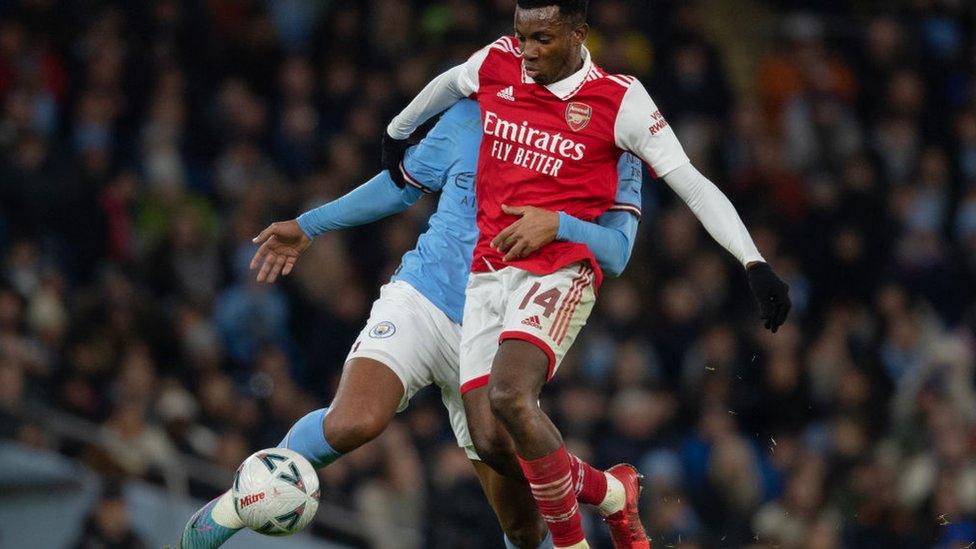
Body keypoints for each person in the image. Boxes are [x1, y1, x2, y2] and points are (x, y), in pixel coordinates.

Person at [380, 1, 791, 548]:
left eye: (543, 39)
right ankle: (614, 494)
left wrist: (753, 261)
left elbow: (690, 181)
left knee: (510, 395)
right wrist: (398, 128)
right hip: (488, 269)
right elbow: (451, 83)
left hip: (559, 269)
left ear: (579, 34)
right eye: (522, 36)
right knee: (491, 441)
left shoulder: (620, 100)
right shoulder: (499, 60)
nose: (527, 52)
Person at [179, 99, 644, 549]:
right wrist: (310, 224)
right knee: (353, 421)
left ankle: (609, 493)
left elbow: (617, 252)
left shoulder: (611, 138)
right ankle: (237, 505)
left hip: (502, 332)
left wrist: (558, 224)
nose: (534, 54)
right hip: (424, 297)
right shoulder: (473, 112)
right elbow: (400, 185)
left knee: (522, 526)